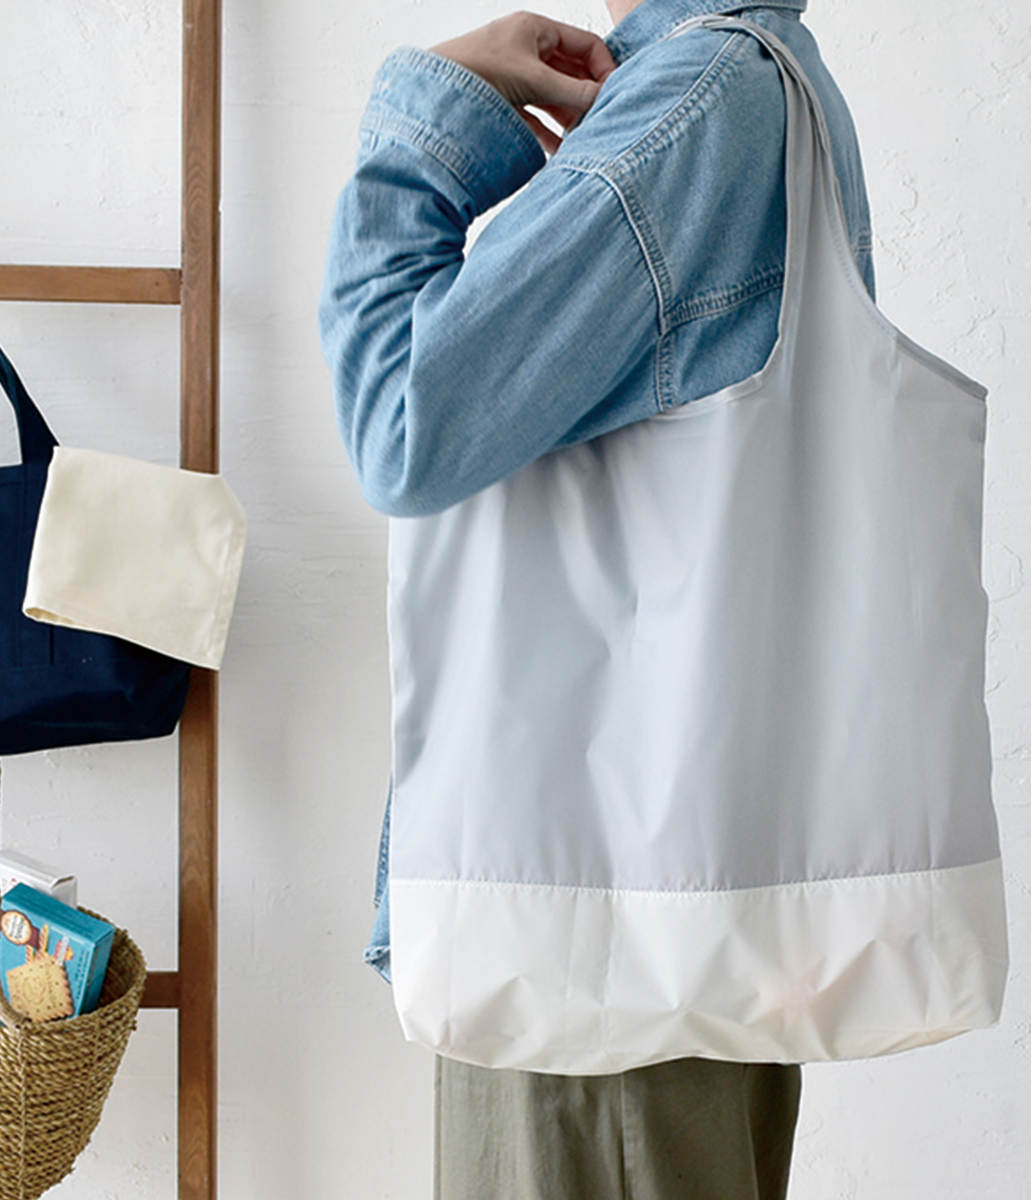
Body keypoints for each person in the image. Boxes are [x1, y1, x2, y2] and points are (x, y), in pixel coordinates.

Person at [318, 0, 875, 1195]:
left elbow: (403, 426)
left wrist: (423, 120)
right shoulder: (772, 84)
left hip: (589, 945)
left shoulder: (697, 102)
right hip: (690, 907)